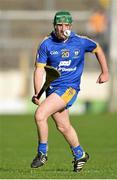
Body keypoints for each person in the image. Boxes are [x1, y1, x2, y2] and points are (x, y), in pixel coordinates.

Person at [31, 11, 109, 172]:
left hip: (69, 88)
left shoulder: (80, 41)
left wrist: (105, 72)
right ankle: (80, 154)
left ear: (70, 26)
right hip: (52, 89)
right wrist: (37, 92)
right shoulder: (46, 44)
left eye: (66, 25)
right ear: (54, 26)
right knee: (63, 127)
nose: (62, 28)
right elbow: (38, 70)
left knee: (40, 115)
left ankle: (42, 153)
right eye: (59, 25)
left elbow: (98, 49)